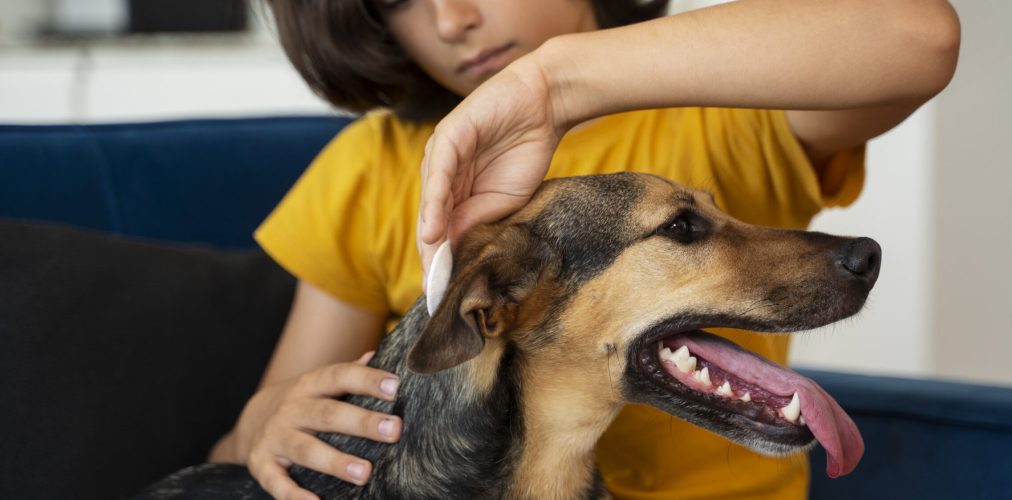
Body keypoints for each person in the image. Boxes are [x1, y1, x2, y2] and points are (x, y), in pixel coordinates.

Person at [208, 0, 960, 499]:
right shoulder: (372, 168)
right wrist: (259, 425)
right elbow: (274, 436)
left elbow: (919, 37)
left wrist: (555, 83)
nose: (452, 18)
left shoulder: (715, 118)